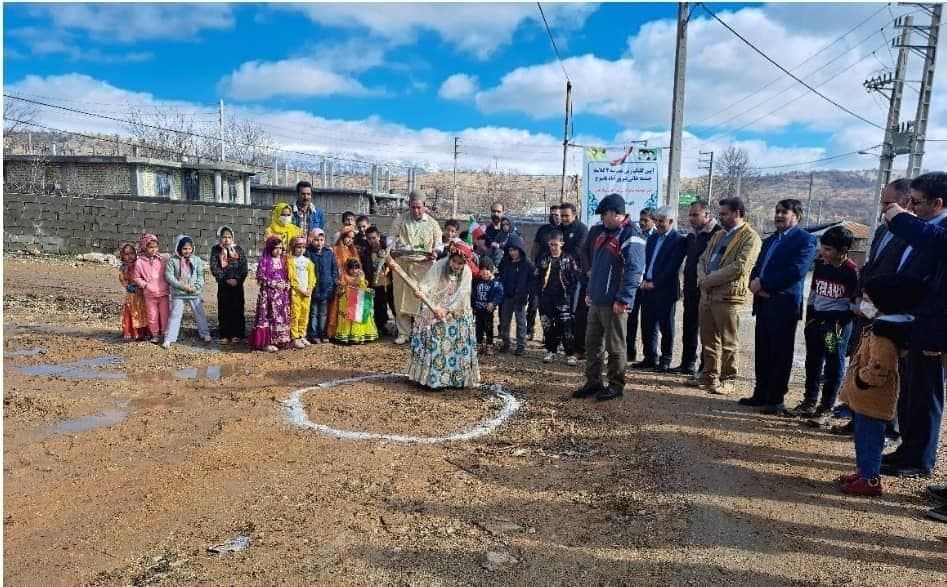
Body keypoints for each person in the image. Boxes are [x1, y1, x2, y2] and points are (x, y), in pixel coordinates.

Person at [881, 171, 947, 479]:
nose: (912, 207)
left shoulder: (937, 233)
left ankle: (920, 459)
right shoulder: (924, 230)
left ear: (938, 203)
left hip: (933, 330)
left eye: (917, 202)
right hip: (910, 324)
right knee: (910, 394)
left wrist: (901, 219)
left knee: (926, 396)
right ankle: (908, 450)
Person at [837, 274, 927, 496]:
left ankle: (870, 479)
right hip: (865, 398)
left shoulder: (885, 334)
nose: (864, 303)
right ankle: (864, 471)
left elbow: (880, 366)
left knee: (870, 440)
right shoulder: (886, 325)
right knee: (862, 438)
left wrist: (862, 380)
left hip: (872, 397)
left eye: (868, 299)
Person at [742, 199, 818, 414]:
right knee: (763, 350)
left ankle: (775, 399)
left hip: (783, 304)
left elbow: (797, 271)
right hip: (763, 303)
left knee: (780, 353)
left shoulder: (806, 240)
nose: (778, 215)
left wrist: (765, 284)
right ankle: (761, 394)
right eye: (776, 211)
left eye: (784, 212)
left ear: (797, 215)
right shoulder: (770, 240)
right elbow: (758, 267)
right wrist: (754, 283)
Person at [573, 193, 646, 401]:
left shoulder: (631, 235)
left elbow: (634, 270)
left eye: (604, 215)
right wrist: (590, 292)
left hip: (614, 302)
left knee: (615, 346)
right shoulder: (604, 234)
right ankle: (593, 382)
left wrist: (623, 299)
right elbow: (597, 267)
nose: (602, 219)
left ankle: (616, 384)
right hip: (597, 300)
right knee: (592, 344)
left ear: (615, 213)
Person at [694, 198, 762, 395]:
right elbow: (702, 259)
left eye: (724, 214)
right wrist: (702, 279)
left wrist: (710, 279)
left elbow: (740, 266)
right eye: (720, 213)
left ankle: (728, 379)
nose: (720, 217)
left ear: (737, 213)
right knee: (708, 339)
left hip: (728, 296)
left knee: (728, 341)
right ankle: (708, 376)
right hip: (707, 294)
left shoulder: (750, 237)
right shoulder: (718, 235)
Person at [789, 226, 858, 417]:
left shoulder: (851, 272)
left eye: (828, 249)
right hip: (816, 323)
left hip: (834, 327)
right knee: (813, 362)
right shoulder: (821, 265)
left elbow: (855, 304)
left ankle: (826, 407)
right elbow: (813, 293)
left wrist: (839, 323)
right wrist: (810, 319)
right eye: (822, 247)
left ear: (843, 250)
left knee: (833, 364)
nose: (823, 252)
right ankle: (809, 401)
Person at [406, 242, 481, 389]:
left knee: (456, 346)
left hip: (456, 313)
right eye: (454, 261)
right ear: (449, 258)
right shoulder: (440, 265)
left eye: (460, 263)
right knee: (435, 344)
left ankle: (456, 379)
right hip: (434, 307)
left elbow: (462, 294)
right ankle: (433, 380)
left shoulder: (467, 273)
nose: (456, 265)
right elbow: (428, 283)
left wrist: (447, 310)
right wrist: (421, 291)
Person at [634, 206, 687, 372]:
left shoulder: (678, 240)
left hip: (664, 290)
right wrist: (643, 281)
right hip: (647, 287)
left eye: (661, 221)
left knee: (666, 326)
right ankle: (650, 357)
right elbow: (646, 262)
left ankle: (666, 359)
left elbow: (672, 267)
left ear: (671, 221)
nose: (657, 224)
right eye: (656, 221)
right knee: (647, 325)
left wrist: (655, 283)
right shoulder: (652, 238)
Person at [389, 190, 443, 344]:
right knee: (401, 300)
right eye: (413, 207)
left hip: (424, 267)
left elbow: (439, 243)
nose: (416, 211)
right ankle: (403, 333)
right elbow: (390, 239)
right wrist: (395, 248)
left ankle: (421, 332)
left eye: (419, 207)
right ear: (409, 206)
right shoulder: (400, 220)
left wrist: (435, 252)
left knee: (422, 299)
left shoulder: (433, 224)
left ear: (425, 206)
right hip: (403, 265)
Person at [676, 201, 721, 376]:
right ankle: (687, 364)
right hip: (690, 290)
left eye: (696, 215)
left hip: (708, 290)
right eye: (690, 215)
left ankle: (706, 369)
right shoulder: (692, 236)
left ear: (707, 215)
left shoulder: (717, 235)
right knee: (689, 327)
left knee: (707, 331)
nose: (691, 218)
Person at [534, 230, 581, 366]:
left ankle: (570, 354)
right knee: (547, 326)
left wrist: (570, 293)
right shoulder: (543, 258)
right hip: (546, 298)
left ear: (562, 243)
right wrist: (538, 291)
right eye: (550, 244)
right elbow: (536, 276)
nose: (553, 247)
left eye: (555, 244)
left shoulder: (568, 259)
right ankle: (551, 351)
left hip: (562, 299)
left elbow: (575, 278)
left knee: (566, 327)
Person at [162, 234, 212, 348]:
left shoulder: (196, 260)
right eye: (184, 248)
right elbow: (169, 277)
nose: (187, 251)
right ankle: (169, 338)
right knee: (175, 315)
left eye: (189, 248)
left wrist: (196, 286)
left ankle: (205, 334)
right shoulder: (173, 261)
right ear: (179, 248)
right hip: (179, 293)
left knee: (200, 314)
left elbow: (200, 275)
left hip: (194, 293)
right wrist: (182, 286)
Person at [250, 236, 292, 352]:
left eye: (280, 248)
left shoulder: (283, 261)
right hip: (268, 296)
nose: (278, 251)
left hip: (281, 296)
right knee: (267, 317)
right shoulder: (264, 261)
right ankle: (266, 343)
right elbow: (260, 278)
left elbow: (287, 276)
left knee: (280, 317)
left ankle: (279, 340)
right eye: (275, 248)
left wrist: (287, 284)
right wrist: (273, 284)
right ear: (269, 248)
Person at [559, 202, 590, 355]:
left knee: (575, 312)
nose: (563, 219)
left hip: (576, 277)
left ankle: (577, 347)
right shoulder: (558, 229)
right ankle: (561, 343)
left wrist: (560, 256)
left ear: (574, 215)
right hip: (559, 276)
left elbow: (577, 252)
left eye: (566, 216)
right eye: (562, 216)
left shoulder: (581, 230)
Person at [209, 226, 248, 344]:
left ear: (232, 238)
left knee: (237, 308)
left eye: (229, 237)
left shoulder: (238, 250)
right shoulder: (216, 250)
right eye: (224, 237)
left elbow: (243, 267)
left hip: (237, 285)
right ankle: (225, 334)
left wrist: (237, 279)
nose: (226, 240)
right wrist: (225, 279)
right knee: (224, 308)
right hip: (223, 285)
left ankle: (237, 333)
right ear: (220, 238)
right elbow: (214, 267)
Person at [529, 205, 562, 339]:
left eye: (557, 214)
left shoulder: (562, 230)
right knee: (533, 303)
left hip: (555, 271)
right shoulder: (543, 229)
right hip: (540, 270)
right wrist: (534, 263)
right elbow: (535, 247)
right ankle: (529, 330)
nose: (553, 217)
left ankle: (550, 336)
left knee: (554, 307)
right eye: (551, 214)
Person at [627, 207, 656, 362]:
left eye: (646, 220)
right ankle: (629, 352)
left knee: (648, 322)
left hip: (649, 286)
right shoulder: (636, 234)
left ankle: (650, 356)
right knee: (630, 319)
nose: (643, 223)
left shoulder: (657, 237)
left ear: (653, 220)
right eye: (641, 220)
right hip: (635, 284)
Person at [497, 234, 534, 356]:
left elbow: (532, 281)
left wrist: (527, 293)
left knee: (521, 322)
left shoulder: (527, 265)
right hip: (507, 297)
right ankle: (506, 342)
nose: (513, 253)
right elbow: (500, 276)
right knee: (505, 321)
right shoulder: (505, 263)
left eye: (515, 250)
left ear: (520, 249)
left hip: (520, 298)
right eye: (510, 250)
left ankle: (521, 346)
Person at [133, 233, 171, 344]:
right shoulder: (139, 262)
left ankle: (165, 333)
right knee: (152, 315)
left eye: (155, 247)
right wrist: (145, 285)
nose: (153, 250)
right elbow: (136, 277)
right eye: (150, 247)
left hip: (163, 293)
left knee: (165, 315)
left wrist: (169, 284)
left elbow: (168, 274)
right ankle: (155, 335)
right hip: (149, 294)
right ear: (144, 247)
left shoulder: (162, 260)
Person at [327, 226, 361, 339]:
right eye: (348, 237)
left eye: (352, 238)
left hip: (352, 283)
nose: (350, 240)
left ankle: (348, 332)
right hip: (340, 283)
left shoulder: (352, 251)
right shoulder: (335, 249)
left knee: (350, 308)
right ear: (343, 237)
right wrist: (341, 279)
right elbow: (336, 267)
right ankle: (334, 332)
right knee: (336, 308)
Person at [334, 258, 378, 344]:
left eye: (356, 268)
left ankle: (358, 336)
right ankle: (348, 336)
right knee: (348, 317)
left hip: (357, 302)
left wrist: (369, 291)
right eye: (352, 268)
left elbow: (363, 288)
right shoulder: (344, 277)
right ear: (348, 269)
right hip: (346, 302)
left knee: (358, 318)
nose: (354, 271)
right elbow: (341, 289)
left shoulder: (361, 277)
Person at [305, 228, 337, 344]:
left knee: (323, 313)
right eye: (316, 240)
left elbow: (334, 269)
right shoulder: (308, 253)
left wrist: (333, 282)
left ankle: (322, 333)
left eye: (321, 240)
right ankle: (313, 334)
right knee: (313, 312)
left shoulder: (329, 253)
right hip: (313, 288)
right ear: (311, 240)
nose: (319, 243)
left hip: (326, 288)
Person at [288, 236, 316, 348]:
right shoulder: (290, 261)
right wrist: (300, 289)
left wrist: (309, 289)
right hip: (296, 292)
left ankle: (302, 335)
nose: (301, 249)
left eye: (303, 247)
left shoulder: (308, 261)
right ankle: (295, 337)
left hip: (307, 293)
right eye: (298, 247)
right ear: (293, 248)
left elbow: (312, 277)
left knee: (305, 314)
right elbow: (292, 278)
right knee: (295, 314)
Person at [364, 226, 393, 335]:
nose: (372, 241)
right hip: (376, 283)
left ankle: (401, 328)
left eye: (374, 238)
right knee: (378, 305)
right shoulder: (367, 252)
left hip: (390, 282)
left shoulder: (387, 248)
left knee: (393, 304)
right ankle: (381, 326)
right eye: (369, 239)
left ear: (379, 237)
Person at [472, 257, 503, 355]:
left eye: (487, 273)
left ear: (491, 271)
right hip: (478, 308)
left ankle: (489, 345)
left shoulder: (495, 283)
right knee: (478, 327)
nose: (484, 275)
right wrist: (472, 304)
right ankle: (479, 344)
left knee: (488, 326)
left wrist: (493, 303)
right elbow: (472, 293)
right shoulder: (476, 281)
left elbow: (499, 293)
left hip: (488, 309)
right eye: (482, 273)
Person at [117, 243, 148, 341]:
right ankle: (130, 332)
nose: (129, 256)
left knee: (142, 313)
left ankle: (143, 333)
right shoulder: (123, 268)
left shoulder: (139, 265)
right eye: (126, 254)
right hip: (131, 295)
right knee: (130, 313)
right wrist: (128, 287)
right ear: (122, 256)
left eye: (131, 253)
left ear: (135, 254)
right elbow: (122, 279)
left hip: (141, 294)